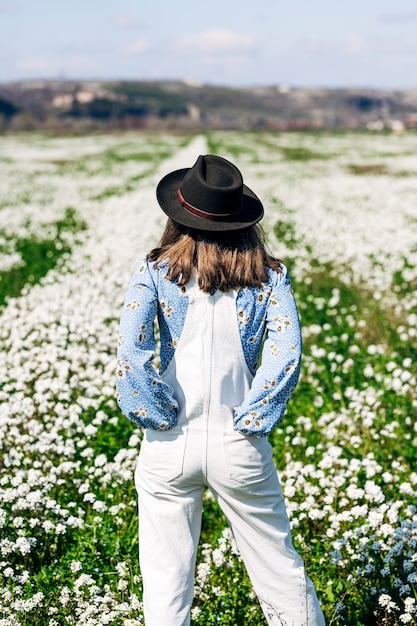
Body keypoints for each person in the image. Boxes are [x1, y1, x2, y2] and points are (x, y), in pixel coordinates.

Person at [116, 154, 325, 626]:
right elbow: (286, 353)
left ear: (177, 215)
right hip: (240, 444)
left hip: (169, 444)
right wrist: (254, 418)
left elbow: (132, 350)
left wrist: (156, 412)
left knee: (167, 582)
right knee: (279, 569)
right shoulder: (269, 275)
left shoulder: (153, 269)